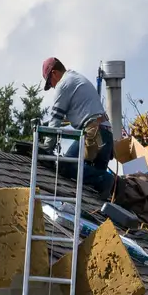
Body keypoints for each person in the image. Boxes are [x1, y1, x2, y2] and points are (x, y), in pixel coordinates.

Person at [41, 57, 116, 197]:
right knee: (96, 191)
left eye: (49, 82)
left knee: (66, 165)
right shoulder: (75, 79)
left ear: (54, 73)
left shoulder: (63, 84)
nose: (52, 86)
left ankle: (107, 179)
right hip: (105, 134)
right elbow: (69, 116)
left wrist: (46, 149)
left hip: (93, 133)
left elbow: (55, 118)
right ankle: (106, 186)